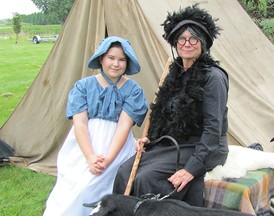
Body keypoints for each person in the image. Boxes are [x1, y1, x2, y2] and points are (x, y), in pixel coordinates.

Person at [113, 4, 229, 207]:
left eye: (193, 38)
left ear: (203, 43)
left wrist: (192, 168)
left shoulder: (214, 77)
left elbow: (213, 129)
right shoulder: (174, 73)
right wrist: (151, 138)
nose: (187, 43)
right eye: (182, 39)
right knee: (124, 171)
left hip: (203, 146)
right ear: (175, 43)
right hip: (175, 142)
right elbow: (165, 115)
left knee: (145, 178)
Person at [43, 36, 148, 216]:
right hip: (84, 145)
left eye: (122, 59)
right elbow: (80, 123)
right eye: (111, 58)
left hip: (116, 147)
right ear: (101, 58)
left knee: (94, 187)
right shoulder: (83, 86)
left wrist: (107, 160)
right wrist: (91, 156)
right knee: (76, 187)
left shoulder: (133, 90)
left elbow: (124, 125)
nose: (116, 64)